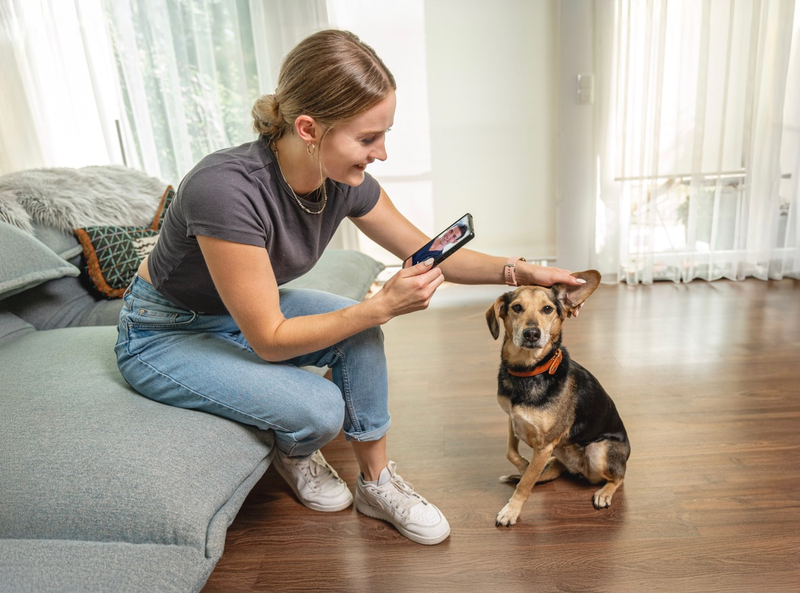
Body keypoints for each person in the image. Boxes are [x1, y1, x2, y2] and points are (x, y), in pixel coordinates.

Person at [115, 29, 584, 546]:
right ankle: (294, 449)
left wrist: (523, 273)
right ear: (309, 128)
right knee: (321, 408)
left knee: (359, 335)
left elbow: (429, 252)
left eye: (384, 134)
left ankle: (376, 483)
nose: (381, 153)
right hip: (165, 333)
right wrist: (381, 305)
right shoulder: (224, 190)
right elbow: (269, 337)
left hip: (240, 314)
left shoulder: (343, 180)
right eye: (367, 139)